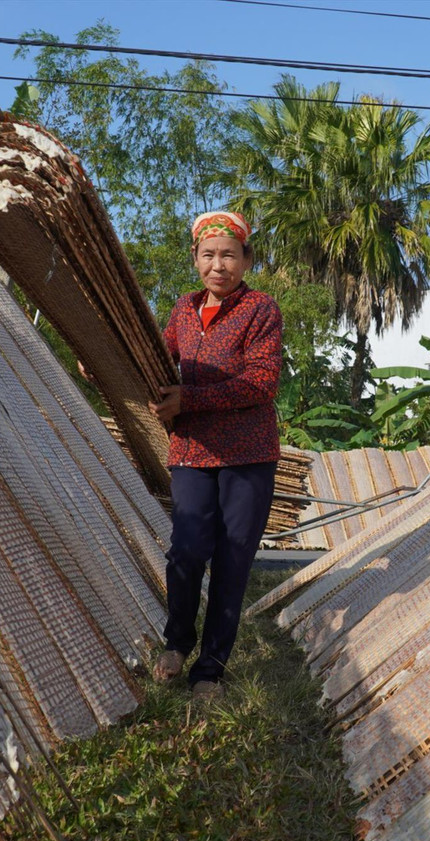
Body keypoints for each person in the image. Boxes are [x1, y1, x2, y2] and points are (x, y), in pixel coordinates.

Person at [148, 211, 282, 702]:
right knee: (186, 549)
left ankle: (210, 671)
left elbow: (262, 381)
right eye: (208, 255)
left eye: (229, 254)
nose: (218, 265)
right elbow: (156, 359)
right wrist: (103, 358)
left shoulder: (260, 310)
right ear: (195, 259)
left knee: (232, 560)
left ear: (246, 259)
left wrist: (191, 399)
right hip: (191, 449)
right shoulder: (183, 310)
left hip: (248, 453)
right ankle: (177, 642)